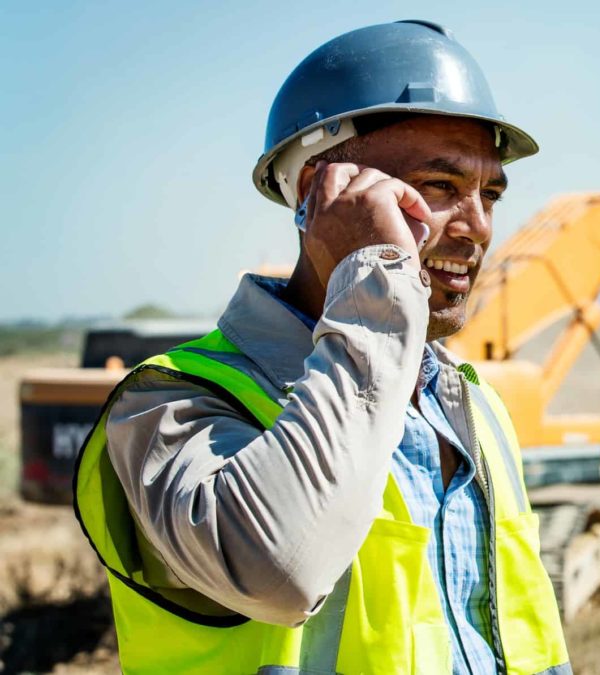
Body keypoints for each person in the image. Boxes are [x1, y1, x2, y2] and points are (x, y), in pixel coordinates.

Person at [74, 20, 570, 675]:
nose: (478, 225)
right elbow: (282, 568)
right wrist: (373, 276)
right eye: (440, 187)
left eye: (490, 193)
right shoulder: (171, 405)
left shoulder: (476, 406)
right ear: (318, 192)